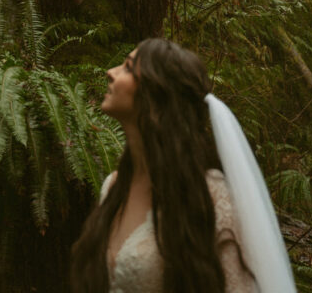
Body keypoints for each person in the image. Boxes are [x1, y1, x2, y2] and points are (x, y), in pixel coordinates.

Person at [70, 38, 297, 293]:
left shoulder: (209, 195)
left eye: (127, 67)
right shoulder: (113, 188)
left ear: (156, 94)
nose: (110, 73)